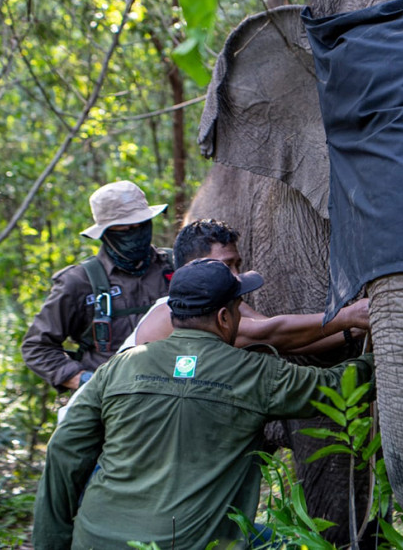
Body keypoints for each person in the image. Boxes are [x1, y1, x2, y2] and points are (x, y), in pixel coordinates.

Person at [32, 258, 375, 550]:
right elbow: (335, 386)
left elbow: (63, 452)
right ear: (225, 318)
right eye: (240, 310)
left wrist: (52, 544)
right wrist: (387, 350)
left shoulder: (120, 366)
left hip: (97, 539)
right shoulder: (254, 373)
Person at [120, 218, 369, 353]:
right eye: (227, 265)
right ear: (193, 266)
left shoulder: (225, 305)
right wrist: (349, 316)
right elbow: (270, 333)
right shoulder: (172, 312)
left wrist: (349, 332)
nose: (236, 275)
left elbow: (282, 339)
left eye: (238, 264)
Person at [21, 181, 174, 391]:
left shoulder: (175, 266)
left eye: (141, 225)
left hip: (177, 390)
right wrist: (86, 382)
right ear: (105, 233)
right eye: (126, 229)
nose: (136, 233)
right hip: (115, 399)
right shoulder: (79, 282)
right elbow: (36, 347)